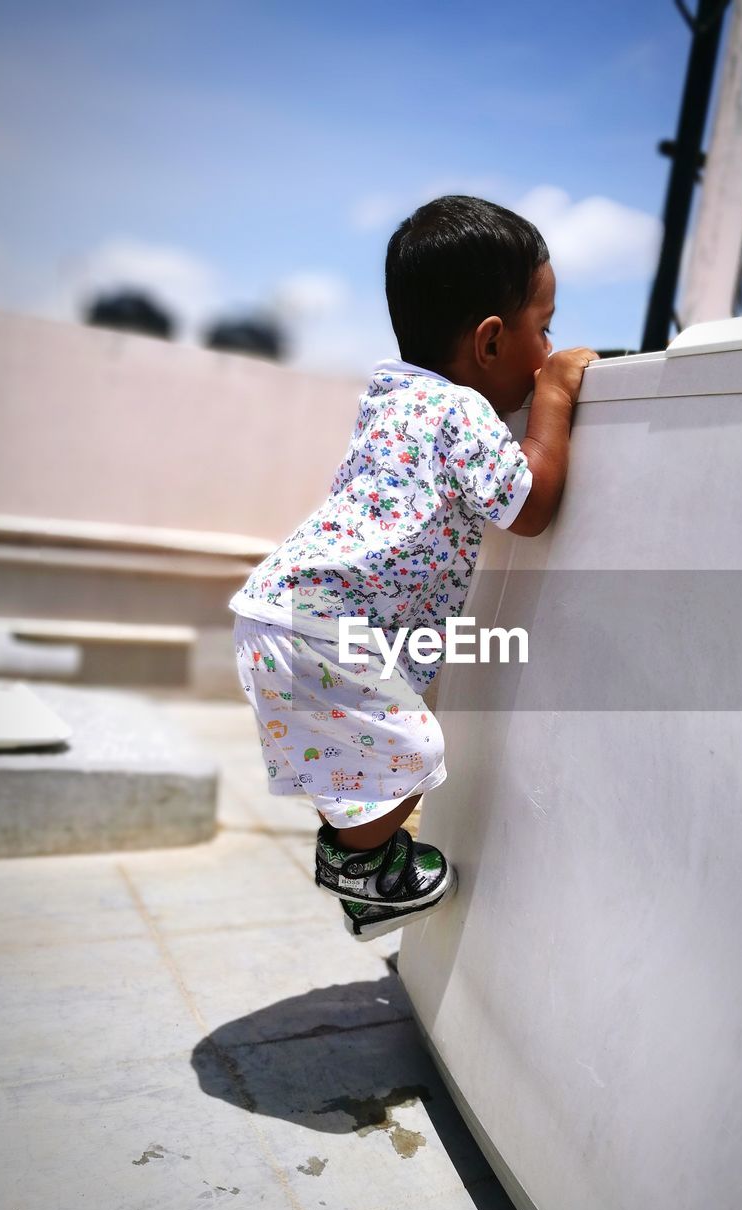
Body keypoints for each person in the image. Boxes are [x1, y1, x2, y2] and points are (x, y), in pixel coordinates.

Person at [230, 195, 596, 941]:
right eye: (544, 329)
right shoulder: (458, 412)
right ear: (492, 342)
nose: (550, 346)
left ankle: (373, 888)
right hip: (321, 623)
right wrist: (555, 394)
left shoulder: (396, 398)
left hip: (288, 611)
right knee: (413, 747)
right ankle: (356, 867)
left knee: (377, 754)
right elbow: (527, 505)